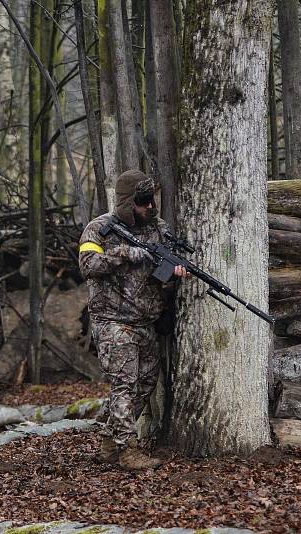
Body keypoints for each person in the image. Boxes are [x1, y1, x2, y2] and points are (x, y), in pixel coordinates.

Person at [78, 169, 187, 470]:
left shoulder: (157, 228)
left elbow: (162, 270)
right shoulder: (99, 230)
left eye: (150, 201)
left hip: (145, 322)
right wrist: (125, 253)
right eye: (142, 202)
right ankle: (128, 450)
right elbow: (88, 265)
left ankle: (110, 441)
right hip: (112, 320)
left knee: (146, 383)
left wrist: (173, 275)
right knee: (124, 385)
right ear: (127, 202)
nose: (149, 207)